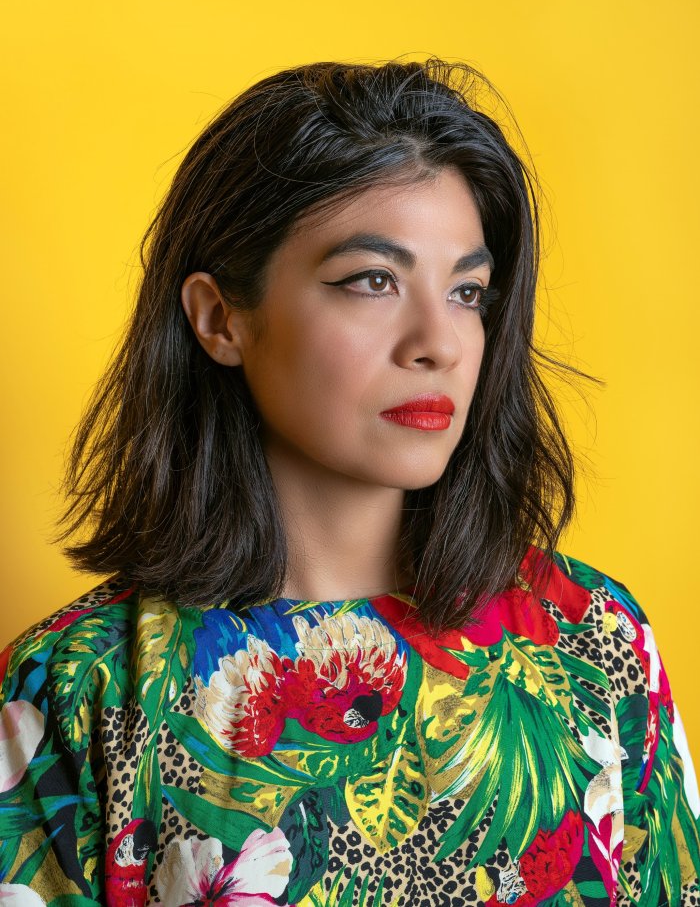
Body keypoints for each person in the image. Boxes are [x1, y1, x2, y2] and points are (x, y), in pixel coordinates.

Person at [0, 58, 697, 907]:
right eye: (373, 280)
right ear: (221, 318)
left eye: (468, 291)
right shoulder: (79, 689)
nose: (438, 341)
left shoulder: (595, 645)